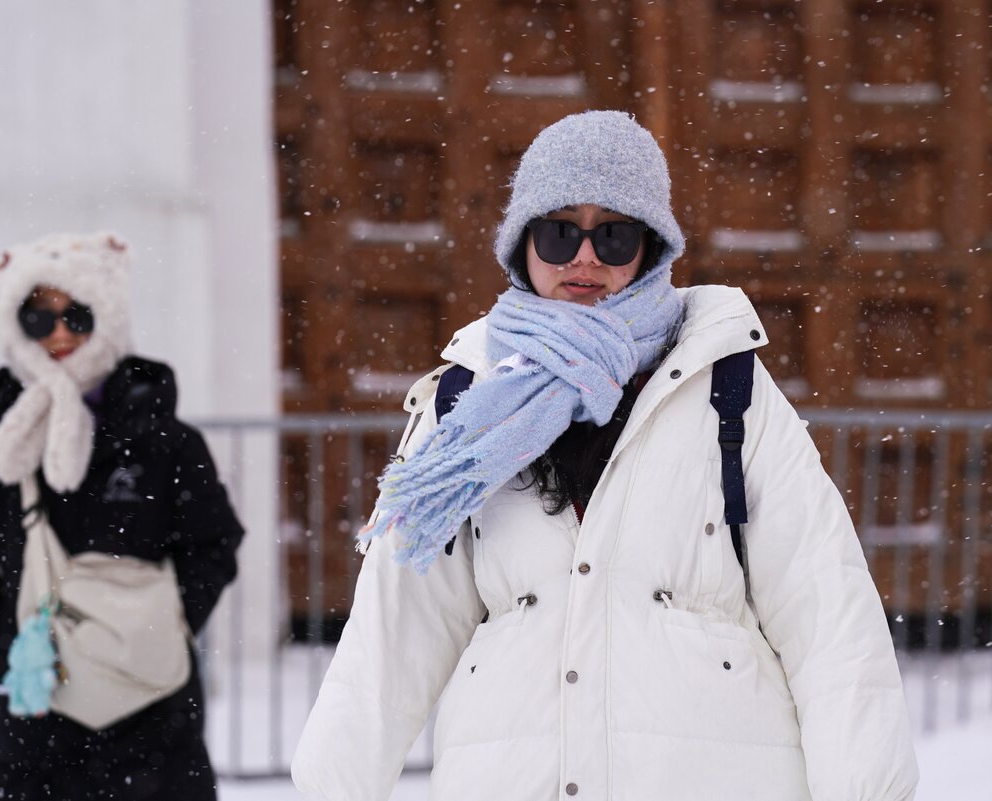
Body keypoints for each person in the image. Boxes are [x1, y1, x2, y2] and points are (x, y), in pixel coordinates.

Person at [291, 111, 918, 800]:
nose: (584, 259)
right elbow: (394, 632)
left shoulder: (726, 386)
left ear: (650, 248)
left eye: (613, 234)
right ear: (522, 245)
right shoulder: (469, 399)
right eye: (559, 233)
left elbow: (826, 609)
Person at [0, 231, 244, 801]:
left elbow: (212, 543)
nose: (59, 334)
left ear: (109, 317)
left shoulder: (166, 440)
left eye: (78, 314)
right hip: (38, 710)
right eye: (37, 318)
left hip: (154, 704)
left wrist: (160, 625)